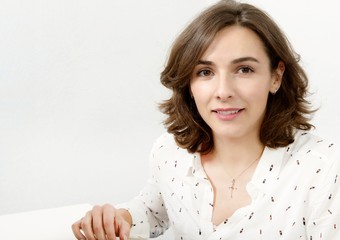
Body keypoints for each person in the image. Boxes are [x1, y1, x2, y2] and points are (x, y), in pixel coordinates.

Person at [72, 0, 340, 239]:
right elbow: (153, 208)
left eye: (244, 69)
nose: (223, 91)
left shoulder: (324, 172)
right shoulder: (170, 151)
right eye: (205, 72)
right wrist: (119, 220)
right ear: (188, 82)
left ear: (276, 77)